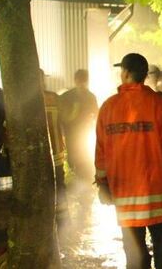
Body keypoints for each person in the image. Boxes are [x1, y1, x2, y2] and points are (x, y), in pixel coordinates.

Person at [95, 53, 162, 269]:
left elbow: (101, 152)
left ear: (125, 73)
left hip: (125, 199)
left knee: (135, 256)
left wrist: (102, 183)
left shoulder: (107, 107)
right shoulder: (159, 104)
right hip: (157, 196)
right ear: (145, 76)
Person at [59, 69, 98, 180]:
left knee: (84, 160)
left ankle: (83, 180)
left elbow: (96, 114)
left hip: (83, 135)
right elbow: (62, 118)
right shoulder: (66, 97)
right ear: (75, 81)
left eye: (84, 81)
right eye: (80, 81)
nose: (82, 85)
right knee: (74, 160)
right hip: (72, 135)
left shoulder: (90, 97)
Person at [40, 70, 68, 221]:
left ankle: (57, 215)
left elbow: (65, 121)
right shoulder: (53, 97)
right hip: (53, 150)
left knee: (57, 183)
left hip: (51, 151)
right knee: (57, 183)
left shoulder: (53, 98)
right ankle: (60, 215)